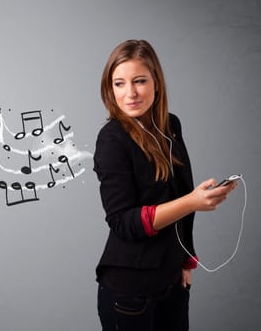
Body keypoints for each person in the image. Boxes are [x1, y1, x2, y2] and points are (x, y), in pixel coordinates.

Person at [93, 39, 237, 331]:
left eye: (139, 81)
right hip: (129, 291)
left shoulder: (171, 125)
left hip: (171, 281)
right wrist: (193, 202)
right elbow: (123, 222)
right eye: (119, 84)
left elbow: (180, 195)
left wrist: (186, 260)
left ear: (156, 82)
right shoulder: (111, 139)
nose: (130, 93)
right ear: (110, 89)